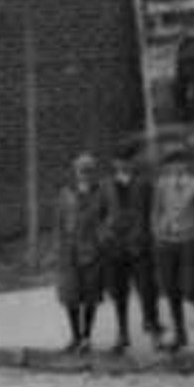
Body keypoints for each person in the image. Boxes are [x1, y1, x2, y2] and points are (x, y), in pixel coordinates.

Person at [142, 132, 194, 356]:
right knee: (171, 289)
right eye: (172, 163)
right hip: (167, 243)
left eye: (180, 163)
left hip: (189, 242)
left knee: (193, 288)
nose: (176, 168)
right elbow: (155, 211)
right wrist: (157, 231)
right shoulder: (162, 184)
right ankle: (180, 334)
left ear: (186, 164)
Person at [54, 151, 138, 356]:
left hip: (92, 250)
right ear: (75, 172)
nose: (84, 174)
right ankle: (75, 337)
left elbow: (112, 215)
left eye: (89, 170)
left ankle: (86, 337)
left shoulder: (102, 191)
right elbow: (58, 221)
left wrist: (102, 236)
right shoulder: (66, 192)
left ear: (93, 172)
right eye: (81, 170)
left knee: (90, 294)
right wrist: (58, 246)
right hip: (70, 251)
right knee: (71, 294)